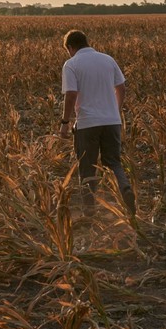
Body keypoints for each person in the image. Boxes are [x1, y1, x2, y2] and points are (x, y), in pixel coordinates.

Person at [58, 29, 135, 214]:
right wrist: (114, 111)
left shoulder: (71, 64)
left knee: (87, 167)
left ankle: (89, 210)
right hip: (112, 121)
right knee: (114, 162)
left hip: (87, 124)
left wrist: (65, 122)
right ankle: (125, 188)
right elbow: (121, 87)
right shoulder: (107, 59)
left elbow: (70, 95)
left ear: (70, 47)